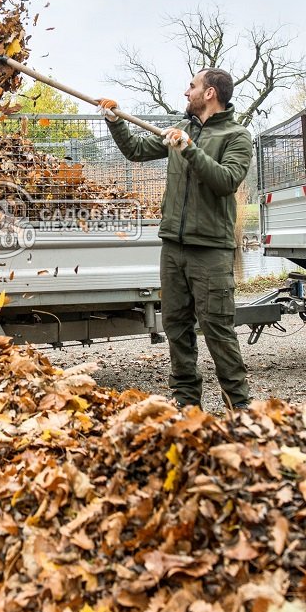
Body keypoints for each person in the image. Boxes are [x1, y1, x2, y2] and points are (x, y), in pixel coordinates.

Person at [96, 68, 253, 410]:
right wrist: (115, 121)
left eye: (192, 86)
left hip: (210, 249)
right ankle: (186, 406)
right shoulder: (181, 130)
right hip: (173, 246)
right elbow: (136, 150)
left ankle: (240, 410)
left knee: (217, 330)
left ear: (210, 93)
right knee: (176, 326)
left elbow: (226, 181)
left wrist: (191, 150)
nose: (186, 92)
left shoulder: (237, 136)